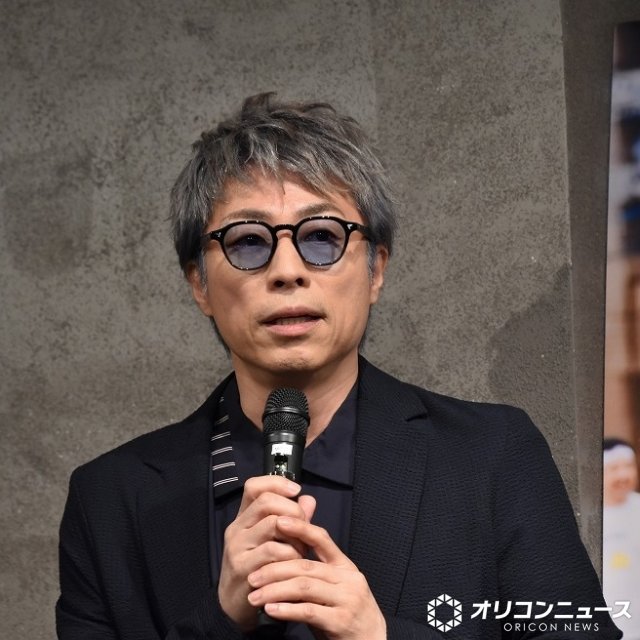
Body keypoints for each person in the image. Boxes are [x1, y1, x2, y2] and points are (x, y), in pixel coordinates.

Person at [56, 93, 620, 639]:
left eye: (322, 237)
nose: (287, 271)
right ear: (198, 283)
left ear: (376, 269)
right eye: (248, 242)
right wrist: (219, 620)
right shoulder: (109, 500)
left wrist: (378, 637)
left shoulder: (491, 454)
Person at [603, 438, 640, 640]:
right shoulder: (592, 516)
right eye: (614, 468)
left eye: (628, 466)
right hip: (606, 618)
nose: (623, 475)